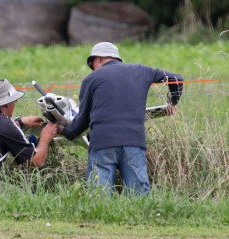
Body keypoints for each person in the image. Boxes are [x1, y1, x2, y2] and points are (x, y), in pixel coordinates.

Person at [57, 42, 184, 195]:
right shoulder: (142, 71)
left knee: (99, 196)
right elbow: (177, 79)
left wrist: (63, 130)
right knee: (139, 197)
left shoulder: (90, 79)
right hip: (134, 142)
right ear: (117, 58)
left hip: (102, 144)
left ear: (97, 59)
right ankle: (139, 218)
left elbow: (82, 122)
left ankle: (100, 219)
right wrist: (172, 103)